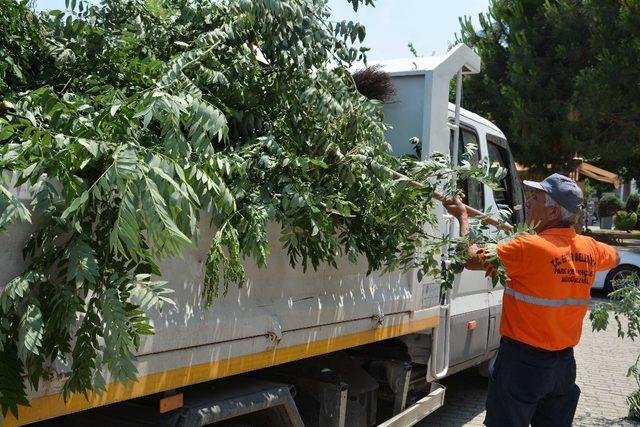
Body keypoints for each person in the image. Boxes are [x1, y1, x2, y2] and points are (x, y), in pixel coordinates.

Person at [443, 173, 619, 427]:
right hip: (563, 367)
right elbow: (613, 257)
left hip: (522, 365)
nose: (527, 203)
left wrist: (462, 218)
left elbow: (468, 258)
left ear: (553, 213)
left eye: (534, 198)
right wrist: (574, 241)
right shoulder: (589, 248)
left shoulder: (528, 247)